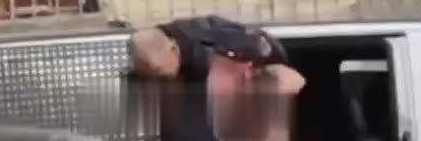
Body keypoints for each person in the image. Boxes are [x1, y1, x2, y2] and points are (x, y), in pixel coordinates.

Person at [127, 15, 305, 141]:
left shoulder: (211, 48)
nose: (157, 78)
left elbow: (265, 49)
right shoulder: (157, 56)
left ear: (173, 49)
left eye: (159, 72)